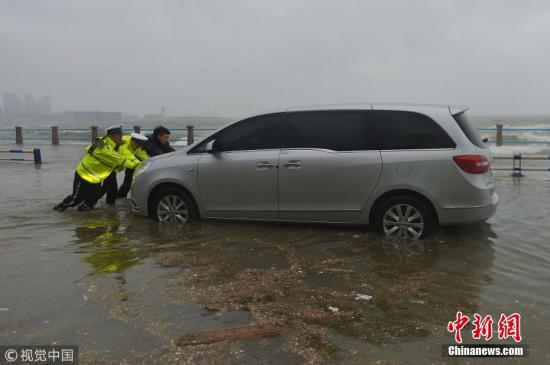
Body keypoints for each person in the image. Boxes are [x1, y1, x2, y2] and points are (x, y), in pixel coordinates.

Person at [53, 125, 140, 212]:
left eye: (121, 134)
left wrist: (140, 164)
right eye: (119, 135)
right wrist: (134, 166)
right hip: (84, 175)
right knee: (76, 199)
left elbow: (129, 156)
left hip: (96, 179)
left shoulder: (119, 146)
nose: (122, 137)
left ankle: (82, 216)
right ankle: (58, 209)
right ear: (112, 135)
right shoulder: (101, 143)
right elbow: (118, 159)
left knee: (92, 200)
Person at [116, 132, 149, 199]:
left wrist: (152, 163)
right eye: (137, 145)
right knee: (108, 187)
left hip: (114, 166)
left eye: (139, 146)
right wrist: (137, 163)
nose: (138, 148)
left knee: (126, 184)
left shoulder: (136, 146)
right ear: (133, 141)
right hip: (105, 164)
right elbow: (126, 154)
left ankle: (119, 200)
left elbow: (144, 157)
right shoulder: (123, 142)